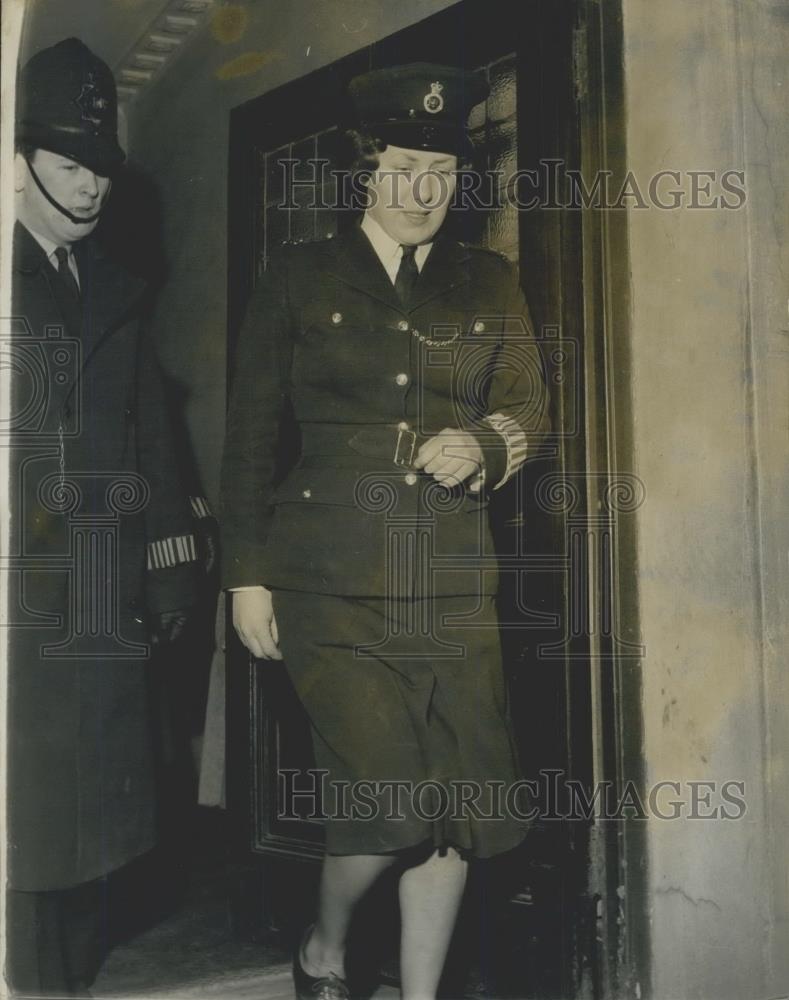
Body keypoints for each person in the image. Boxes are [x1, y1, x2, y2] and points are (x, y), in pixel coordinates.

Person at [221, 62, 549, 1000]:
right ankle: (326, 949)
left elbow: (530, 406)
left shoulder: (487, 280)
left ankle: (418, 993)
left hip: (450, 580)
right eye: (403, 166)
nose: (421, 193)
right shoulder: (297, 276)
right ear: (366, 170)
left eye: (441, 173)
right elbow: (247, 440)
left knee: (461, 815)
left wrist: (484, 443)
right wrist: (246, 576)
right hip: (329, 583)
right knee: (392, 804)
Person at [5, 37, 202, 996]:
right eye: (67, 164)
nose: (88, 189)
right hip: (22, 601)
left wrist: (167, 575)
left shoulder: (114, 291)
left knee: (87, 833)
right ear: (19, 160)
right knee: (26, 841)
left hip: (97, 594)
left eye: (99, 171)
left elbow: (154, 441)